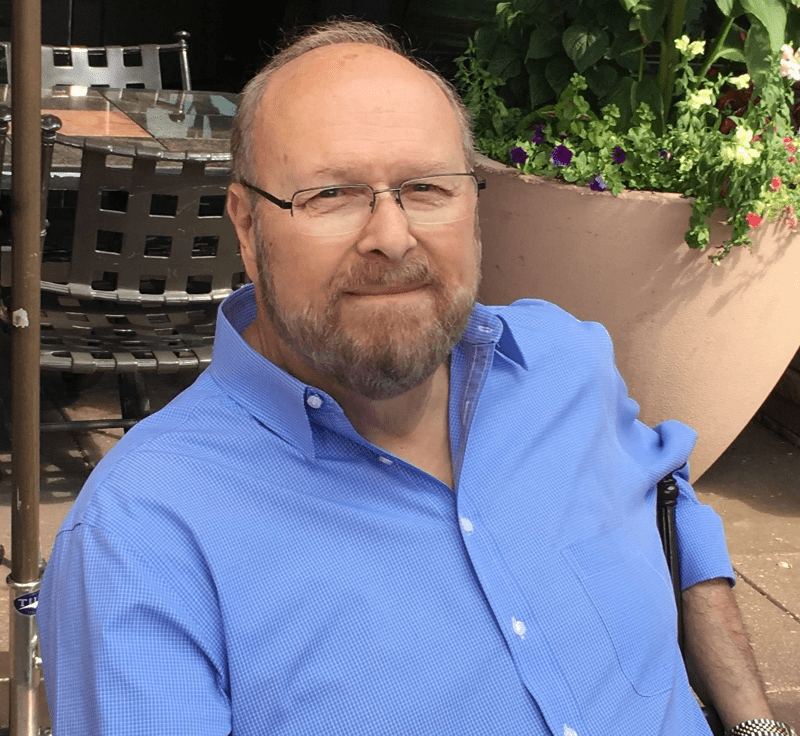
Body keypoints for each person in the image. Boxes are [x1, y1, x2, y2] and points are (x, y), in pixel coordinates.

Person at [38, 19, 794, 736]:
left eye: (428, 187)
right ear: (244, 223)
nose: (390, 237)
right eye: (330, 193)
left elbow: (674, 510)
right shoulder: (144, 540)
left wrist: (754, 722)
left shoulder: (566, 364)